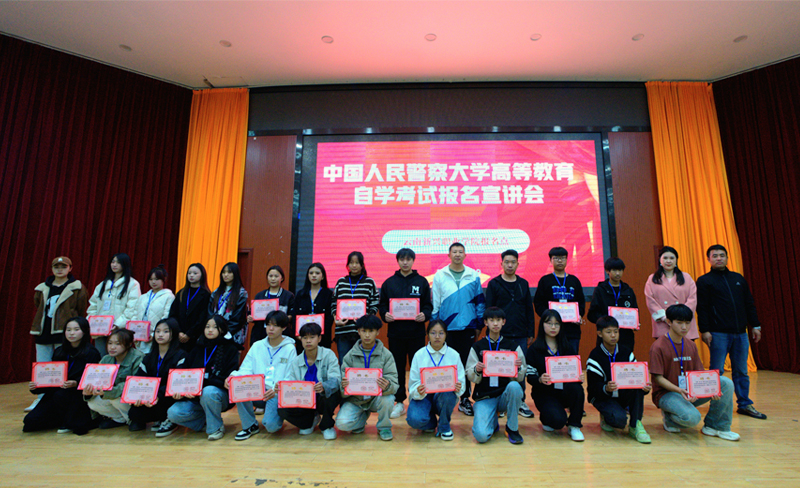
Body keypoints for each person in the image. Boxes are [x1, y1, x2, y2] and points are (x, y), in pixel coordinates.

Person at [649, 304, 739, 441]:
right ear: (669, 322)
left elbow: (700, 373)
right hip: (667, 394)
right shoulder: (658, 346)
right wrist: (680, 390)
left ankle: (715, 426)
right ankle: (670, 418)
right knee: (692, 418)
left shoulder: (690, 345)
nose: (684, 327)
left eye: (687, 323)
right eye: (679, 323)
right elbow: (658, 378)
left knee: (725, 383)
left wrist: (711, 389)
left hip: (690, 391)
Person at [697, 244, 766, 420]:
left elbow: (749, 303)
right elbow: (702, 308)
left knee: (741, 371)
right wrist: (704, 330)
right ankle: (716, 404)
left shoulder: (738, 278)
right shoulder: (704, 281)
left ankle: (744, 404)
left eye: (722, 255)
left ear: (727, 258)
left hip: (741, 334)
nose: (719, 258)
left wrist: (755, 325)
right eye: (715, 256)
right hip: (718, 333)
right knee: (717, 371)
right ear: (708, 259)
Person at [28, 256, 89, 412]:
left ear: (70, 268)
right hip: (43, 332)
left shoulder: (77, 287)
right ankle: (41, 399)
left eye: (63, 267)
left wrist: (72, 326)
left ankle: (61, 398)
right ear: (52, 269)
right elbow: (38, 305)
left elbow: (80, 308)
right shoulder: (42, 287)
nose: (60, 270)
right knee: (43, 366)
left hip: (64, 333)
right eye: (56, 267)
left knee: (63, 366)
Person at [378, 247, 433, 420]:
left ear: (413, 261)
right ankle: (399, 401)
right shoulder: (389, 283)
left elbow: (428, 305)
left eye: (408, 259)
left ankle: (419, 398)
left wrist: (425, 314)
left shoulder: (422, 282)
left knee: (418, 367)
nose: (405, 262)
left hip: (416, 333)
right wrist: (385, 314)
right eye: (402, 259)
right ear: (398, 261)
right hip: (396, 334)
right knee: (398, 368)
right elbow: (382, 305)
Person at [166, 315, 241, 440]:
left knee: (208, 391)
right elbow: (184, 371)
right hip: (196, 396)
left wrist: (200, 386)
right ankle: (206, 422)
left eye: (214, 327)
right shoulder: (197, 348)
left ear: (222, 329)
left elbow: (227, 378)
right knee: (173, 413)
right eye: (207, 327)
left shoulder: (230, 349)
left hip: (219, 395)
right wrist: (181, 390)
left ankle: (215, 428)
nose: (210, 330)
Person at [431, 242, 485, 416]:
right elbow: (436, 302)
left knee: (466, 364)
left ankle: (464, 399)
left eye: (460, 252)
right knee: (446, 362)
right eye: (454, 252)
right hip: (446, 328)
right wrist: (435, 326)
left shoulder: (473, 275)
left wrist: (479, 325)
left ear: (465, 255)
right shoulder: (440, 275)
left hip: (468, 328)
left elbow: (479, 301)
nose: (457, 254)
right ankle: (442, 395)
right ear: (449, 255)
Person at [23, 317, 101, 435]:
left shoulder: (91, 352)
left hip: (77, 394)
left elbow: (93, 377)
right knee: (30, 422)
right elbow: (51, 377)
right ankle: (61, 419)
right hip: (57, 391)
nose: (71, 333)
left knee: (63, 400)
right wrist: (36, 386)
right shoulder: (60, 351)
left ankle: (70, 420)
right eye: (68, 330)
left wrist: (75, 383)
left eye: (76, 329)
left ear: (84, 331)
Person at [229, 310, 297, 441]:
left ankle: (276, 416)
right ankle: (249, 425)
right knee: (237, 384)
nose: (271, 329)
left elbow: (291, 376)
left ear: (283, 328)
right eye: (268, 325)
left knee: (271, 427)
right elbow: (246, 369)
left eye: (275, 325)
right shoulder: (257, 346)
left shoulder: (290, 348)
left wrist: (277, 389)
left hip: (275, 393)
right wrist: (233, 377)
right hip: (256, 390)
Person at [484, 249, 536, 419]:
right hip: (500, 334)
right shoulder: (494, 284)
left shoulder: (523, 284)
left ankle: (520, 400)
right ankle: (501, 401)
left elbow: (529, 309)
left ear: (517, 264)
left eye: (513, 262)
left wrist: (530, 331)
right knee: (499, 367)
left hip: (520, 333)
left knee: (519, 368)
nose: (510, 265)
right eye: (507, 262)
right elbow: (489, 310)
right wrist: (490, 332)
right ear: (501, 264)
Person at [465, 307, 526, 444]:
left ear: (504, 322)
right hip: (485, 396)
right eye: (491, 320)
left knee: (515, 386)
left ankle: (512, 428)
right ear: (485, 322)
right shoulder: (478, 346)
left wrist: (518, 368)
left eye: (498, 320)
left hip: (505, 395)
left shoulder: (512, 346)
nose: (495, 323)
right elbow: (469, 374)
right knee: (481, 436)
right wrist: (476, 369)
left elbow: (521, 375)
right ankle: (492, 419)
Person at [586, 316, 651, 443]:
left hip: (622, 394)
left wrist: (645, 387)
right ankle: (606, 416)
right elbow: (593, 388)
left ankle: (636, 425)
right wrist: (606, 388)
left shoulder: (626, 352)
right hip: (603, 397)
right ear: (600, 334)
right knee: (619, 421)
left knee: (638, 387)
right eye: (608, 332)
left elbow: (637, 377)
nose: (613, 335)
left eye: (616, 331)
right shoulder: (595, 356)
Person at [336, 315, 399, 441]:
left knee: (388, 399)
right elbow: (342, 384)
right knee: (342, 424)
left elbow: (394, 382)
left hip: (377, 398)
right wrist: (344, 386)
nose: (367, 335)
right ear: (358, 331)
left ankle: (384, 427)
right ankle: (361, 419)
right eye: (364, 331)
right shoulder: (349, 356)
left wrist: (387, 385)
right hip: (356, 400)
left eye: (371, 331)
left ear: (378, 332)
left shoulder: (386, 355)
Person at [526, 309, 586, 441]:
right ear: (542, 325)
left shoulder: (567, 346)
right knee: (558, 421)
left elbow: (574, 369)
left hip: (564, 390)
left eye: (557, 324)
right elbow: (530, 376)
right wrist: (539, 379)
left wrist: (579, 377)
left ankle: (574, 426)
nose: (553, 327)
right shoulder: (534, 349)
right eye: (549, 323)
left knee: (577, 389)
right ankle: (547, 417)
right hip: (544, 393)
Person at [279, 322, 341, 440]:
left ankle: (326, 426)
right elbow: (292, 382)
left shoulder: (328, 355)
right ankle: (309, 421)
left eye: (312, 337)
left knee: (333, 392)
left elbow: (336, 379)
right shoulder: (296, 361)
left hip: (322, 398)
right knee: (282, 409)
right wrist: (283, 389)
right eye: (304, 338)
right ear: (300, 339)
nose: (308, 341)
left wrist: (324, 386)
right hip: (304, 400)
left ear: (319, 338)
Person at [406, 319, 466, 440]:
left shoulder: (454, 355)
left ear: (446, 334)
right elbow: (413, 382)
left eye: (441, 333)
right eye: (433, 333)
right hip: (424, 396)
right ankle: (431, 422)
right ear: (427, 334)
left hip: (444, 396)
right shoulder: (419, 355)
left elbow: (461, 381)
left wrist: (458, 386)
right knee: (414, 420)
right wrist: (418, 389)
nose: (437, 337)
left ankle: (444, 426)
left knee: (448, 394)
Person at [128, 318, 187, 435]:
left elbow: (176, 383)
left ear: (174, 334)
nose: (160, 334)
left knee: (169, 401)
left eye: (166, 331)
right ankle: (160, 418)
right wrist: (138, 396)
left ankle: (170, 420)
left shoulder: (181, 356)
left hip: (169, 397)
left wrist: (157, 395)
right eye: (158, 331)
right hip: (151, 397)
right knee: (133, 413)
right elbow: (140, 378)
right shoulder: (148, 357)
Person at [84, 328, 145, 428]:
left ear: (129, 344)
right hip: (113, 395)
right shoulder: (106, 359)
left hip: (133, 399)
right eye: (110, 343)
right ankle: (120, 419)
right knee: (93, 403)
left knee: (115, 399)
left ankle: (135, 419)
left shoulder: (138, 357)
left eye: (117, 344)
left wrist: (109, 391)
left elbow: (134, 384)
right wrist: (90, 391)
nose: (112, 347)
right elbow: (96, 380)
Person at [533, 247, 586, 355]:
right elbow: (538, 303)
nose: (560, 261)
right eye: (556, 258)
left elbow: (581, 302)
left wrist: (578, 315)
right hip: (551, 330)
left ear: (567, 260)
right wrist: (548, 317)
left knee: (571, 359)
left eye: (563, 258)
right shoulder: (545, 280)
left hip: (571, 330)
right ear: (551, 260)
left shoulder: (574, 281)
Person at [86, 253, 141, 355]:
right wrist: (93, 323)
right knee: (102, 358)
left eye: (118, 262)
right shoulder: (102, 284)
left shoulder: (132, 284)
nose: (114, 265)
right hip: (100, 330)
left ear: (125, 264)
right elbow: (93, 305)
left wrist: (117, 324)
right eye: (113, 262)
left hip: (119, 330)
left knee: (118, 358)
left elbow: (132, 308)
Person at [330, 251, 379, 364]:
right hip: (343, 330)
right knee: (344, 363)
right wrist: (336, 318)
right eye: (351, 263)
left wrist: (366, 320)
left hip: (363, 332)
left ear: (362, 265)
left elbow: (375, 302)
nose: (354, 265)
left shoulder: (369, 282)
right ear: (347, 265)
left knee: (363, 364)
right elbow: (333, 302)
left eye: (357, 263)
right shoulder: (341, 282)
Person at [644, 246, 698, 340]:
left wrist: (681, 317)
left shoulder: (687, 277)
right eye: (665, 258)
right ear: (660, 260)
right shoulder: (652, 279)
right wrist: (666, 318)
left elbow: (692, 299)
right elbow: (650, 301)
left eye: (672, 258)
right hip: (664, 324)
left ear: (676, 260)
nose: (668, 261)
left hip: (684, 324)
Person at [587, 257, 639, 351]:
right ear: (607, 271)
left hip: (626, 335)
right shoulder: (600, 290)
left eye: (620, 270)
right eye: (614, 270)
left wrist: (635, 323)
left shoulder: (628, 290)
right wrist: (607, 321)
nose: (618, 273)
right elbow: (592, 314)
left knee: (625, 359)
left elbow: (635, 311)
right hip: (607, 334)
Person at [131, 265, 175, 354]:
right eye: (151, 279)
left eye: (157, 279)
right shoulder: (143, 297)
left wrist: (154, 334)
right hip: (140, 336)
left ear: (163, 280)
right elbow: (135, 314)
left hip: (156, 336)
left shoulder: (169, 296)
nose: (153, 282)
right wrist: (133, 332)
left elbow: (165, 316)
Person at [169, 263, 211, 352]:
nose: (191, 275)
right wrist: (179, 331)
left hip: (195, 337)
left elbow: (203, 318)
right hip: (179, 337)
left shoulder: (206, 294)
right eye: (189, 273)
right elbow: (173, 313)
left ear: (202, 275)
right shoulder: (181, 293)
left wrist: (189, 334)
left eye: (195, 273)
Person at [249, 265, 295, 345]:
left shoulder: (288, 296)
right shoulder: (260, 295)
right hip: (260, 334)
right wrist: (250, 317)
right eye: (270, 276)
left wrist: (281, 319)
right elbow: (251, 313)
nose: (273, 279)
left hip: (281, 334)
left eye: (276, 276)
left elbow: (292, 314)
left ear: (282, 278)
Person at [293, 263, 334, 349]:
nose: (314, 275)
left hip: (322, 339)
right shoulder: (300, 294)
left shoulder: (329, 294)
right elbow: (295, 316)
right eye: (311, 273)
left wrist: (319, 335)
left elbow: (329, 318)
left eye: (317, 273)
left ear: (323, 276)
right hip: (303, 338)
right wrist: (297, 334)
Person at [208, 262, 248, 347]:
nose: (226, 275)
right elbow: (210, 311)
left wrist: (224, 332)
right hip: (214, 333)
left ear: (235, 274)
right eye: (223, 272)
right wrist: (214, 329)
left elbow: (238, 318)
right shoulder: (215, 292)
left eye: (229, 272)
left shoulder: (242, 293)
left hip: (232, 335)